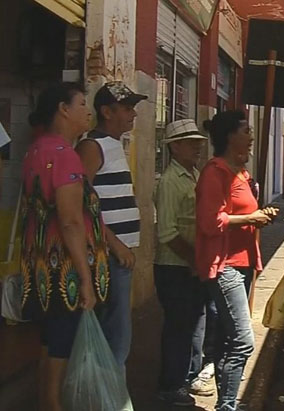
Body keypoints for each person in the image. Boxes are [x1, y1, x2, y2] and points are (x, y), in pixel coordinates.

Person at [20, 82, 109, 411]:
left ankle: (48, 400)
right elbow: (71, 220)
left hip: (40, 265)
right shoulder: (64, 155)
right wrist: (85, 279)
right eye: (82, 103)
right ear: (63, 109)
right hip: (64, 271)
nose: (89, 111)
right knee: (62, 342)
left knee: (50, 342)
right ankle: (53, 404)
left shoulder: (36, 150)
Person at [196, 110, 278, 411]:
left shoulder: (241, 173)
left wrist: (259, 217)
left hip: (243, 263)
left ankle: (227, 403)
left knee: (229, 340)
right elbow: (209, 222)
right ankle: (227, 406)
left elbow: (238, 214)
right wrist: (250, 217)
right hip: (224, 265)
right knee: (244, 341)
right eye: (246, 130)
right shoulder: (215, 172)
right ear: (231, 136)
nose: (252, 136)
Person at [75, 81, 146, 365]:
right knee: (116, 335)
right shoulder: (92, 147)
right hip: (106, 254)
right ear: (106, 111)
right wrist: (115, 244)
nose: (133, 114)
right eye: (127, 108)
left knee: (118, 332)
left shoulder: (114, 145)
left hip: (118, 254)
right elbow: (80, 205)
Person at [153, 119, 209, 406]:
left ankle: (188, 377)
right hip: (174, 267)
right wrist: (194, 259)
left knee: (194, 322)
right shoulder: (170, 182)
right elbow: (167, 232)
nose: (197, 147)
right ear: (175, 148)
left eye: (198, 141)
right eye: (190, 142)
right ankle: (170, 385)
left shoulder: (195, 174)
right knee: (178, 327)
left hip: (190, 265)